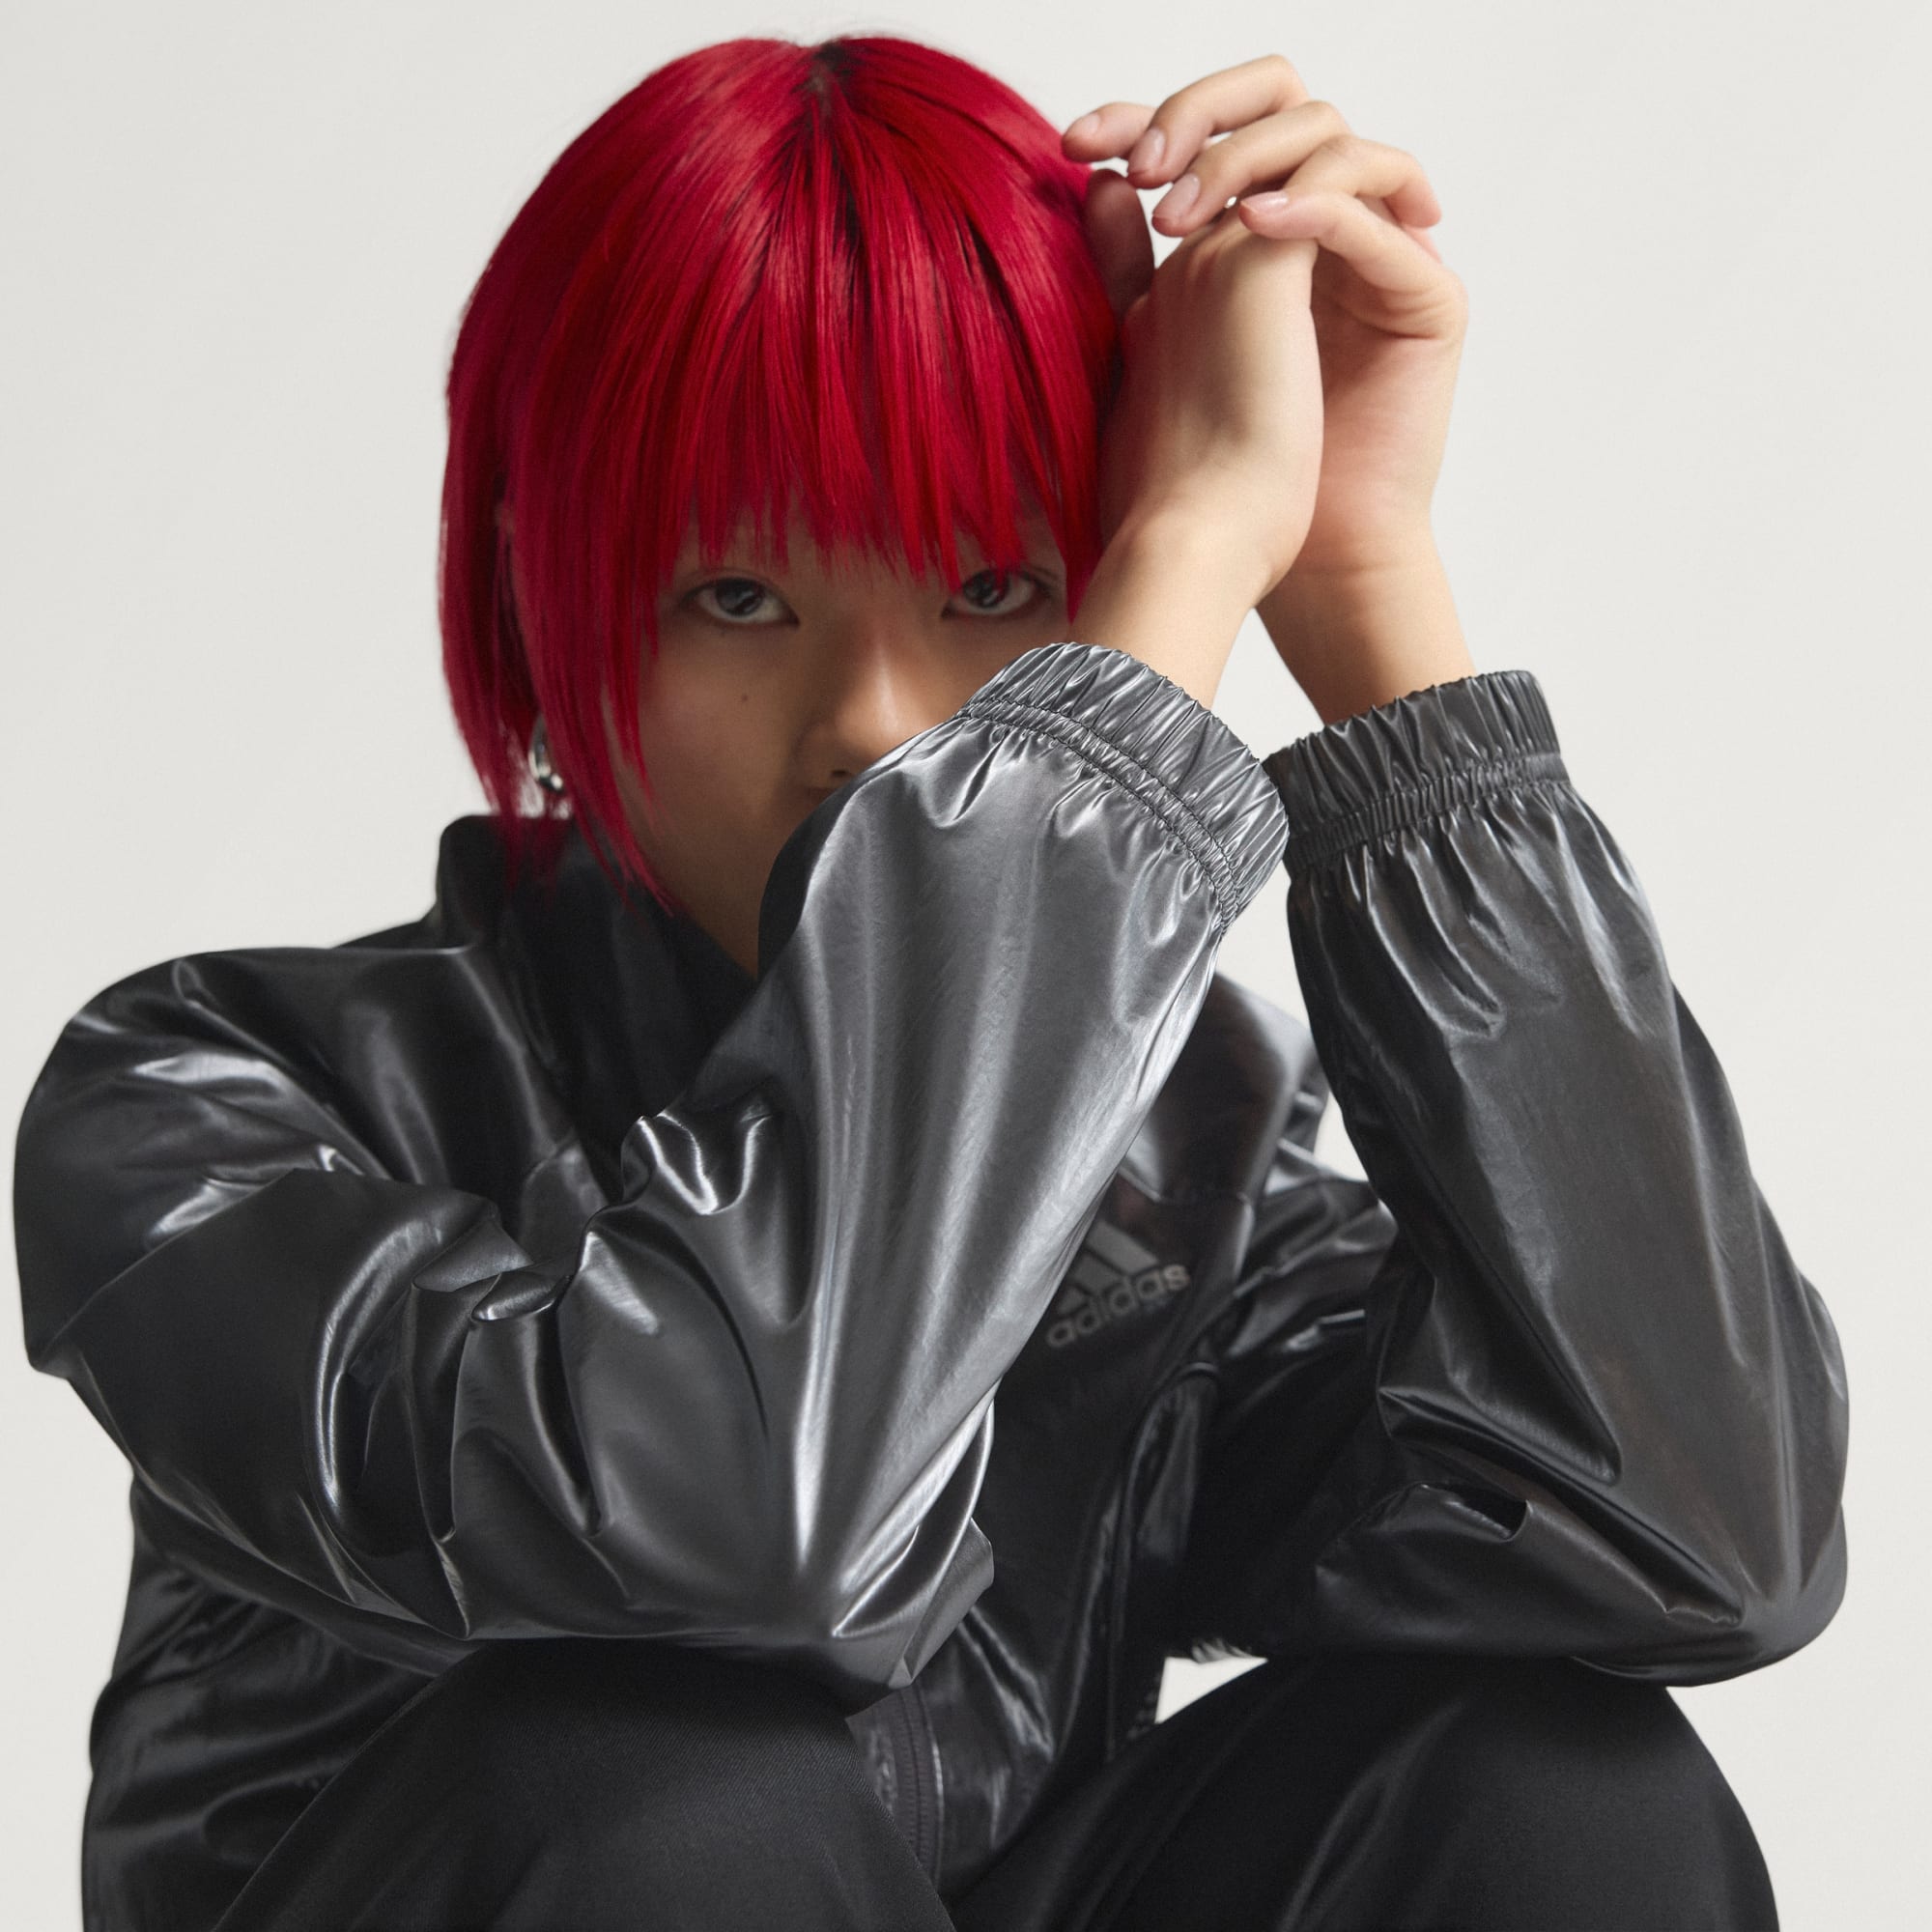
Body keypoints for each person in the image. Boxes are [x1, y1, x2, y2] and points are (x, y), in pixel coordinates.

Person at [12, 33, 1847, 1932]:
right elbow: (743, 1522)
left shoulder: (1173, 1176)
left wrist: (1358, 582)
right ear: (544, 620)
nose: (875, 723)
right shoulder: (206, 1109)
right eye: (739, 598)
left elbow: (1697, 1542)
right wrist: (1153, 610)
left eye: (992, 590)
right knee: (667, 1790)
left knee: (1554, 1787)